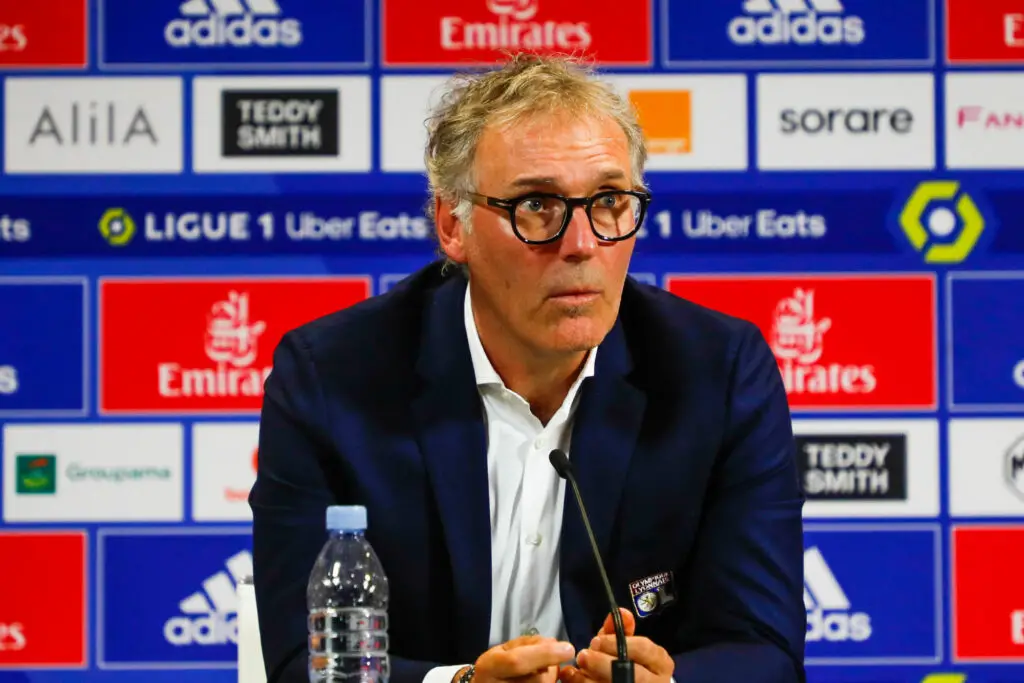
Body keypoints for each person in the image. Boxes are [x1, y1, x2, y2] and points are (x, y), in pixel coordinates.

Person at [250, 52, 806, 683]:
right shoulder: (331, 378)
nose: (582, 244)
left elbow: (765, 650)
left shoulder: (718, 372)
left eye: (609, 201)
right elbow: (303, 662)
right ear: (452, 227)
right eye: (536, 205)